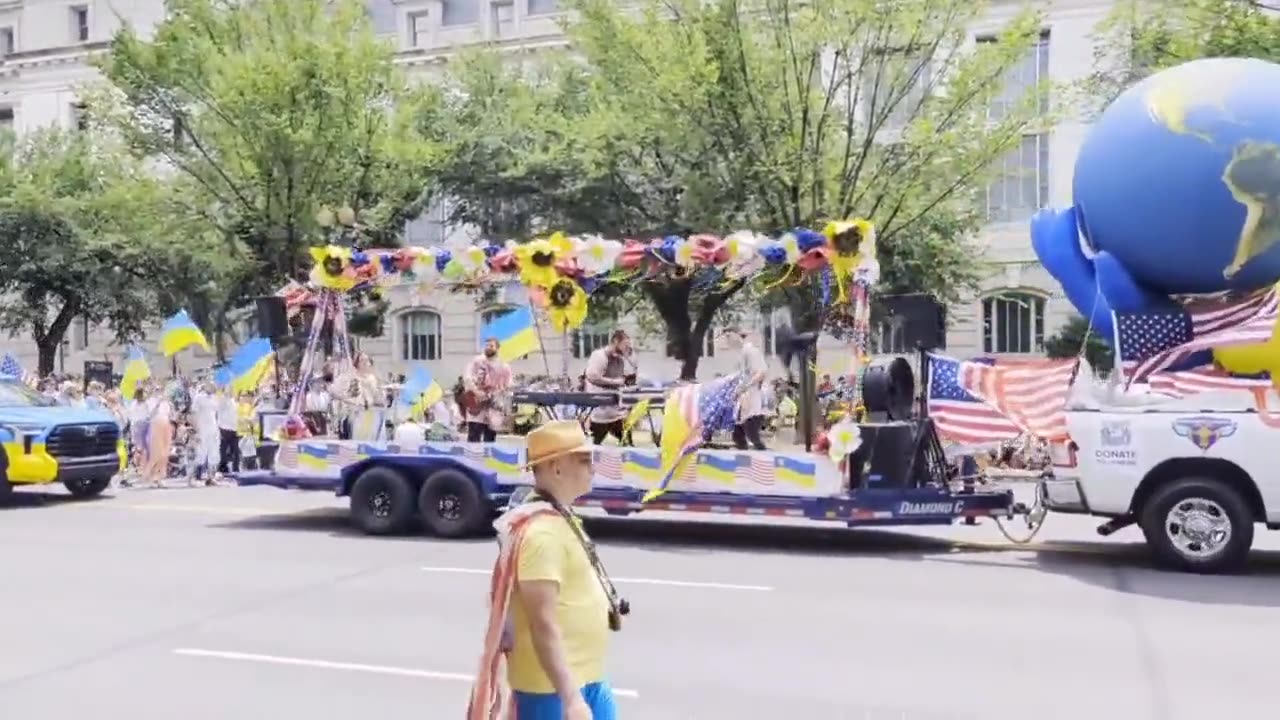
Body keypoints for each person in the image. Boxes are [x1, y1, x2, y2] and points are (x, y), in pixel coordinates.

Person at [468, 421, 622, 720]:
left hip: (586, 675)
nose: (593, 468)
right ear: (557, 467)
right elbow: (543, 624)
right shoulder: (541, 535)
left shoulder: (560, 517)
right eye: (584, 460)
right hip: (553, 690)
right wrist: (571, 700)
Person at [584, 329, 633, 445]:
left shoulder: (620, 360)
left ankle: (627, 457)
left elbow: (620, 380)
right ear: (616, 341)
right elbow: (593, 376)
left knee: (626, 442)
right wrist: (616, 382)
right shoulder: (599, 356)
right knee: (595, 444)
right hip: (600, 409)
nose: (627, 348)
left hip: (616, 411)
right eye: (625, 345)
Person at [723, 327, 769, 450]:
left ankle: (764, 460)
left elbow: (761, 372)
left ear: (738, 335)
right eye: (726, 337)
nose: (728, 340)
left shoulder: (751, 351)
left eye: (729, 336)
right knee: (738, 436)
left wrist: (745, 387)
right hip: (742, 403)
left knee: (752, 436)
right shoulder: (740, 354)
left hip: (753, 402)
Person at [463, 337, 512, 443]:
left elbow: (508, 386)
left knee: (490, 438)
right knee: (474, 435)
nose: (488, 348)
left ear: (497, 348)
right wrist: (476, 392)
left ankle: (488, 458)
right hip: (476, 405)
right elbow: (467, 378)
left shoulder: (504, 366)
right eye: (486, 346)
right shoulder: (476, 362)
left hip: (493, 406)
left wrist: (501, 398)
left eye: (491, 346)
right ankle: (472, 457)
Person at [333, 353, 385, 441]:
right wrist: (346, 400)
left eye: (367, 360)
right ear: (357, 363)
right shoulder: (350, 377)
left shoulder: (373, 379)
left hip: (371, 412)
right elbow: (334, 391)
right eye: (362, 360)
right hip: (356, 413)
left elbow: (378, 396)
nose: (365, 363)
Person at [190, 380, 222, 485]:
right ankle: (193, 477)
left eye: (214, 386)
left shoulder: (215, 399)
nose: (213, 387)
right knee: (201, 453)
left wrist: (218, 429)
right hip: (202, 428)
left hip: (213, 429)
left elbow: (216, 414)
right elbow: (193, 414)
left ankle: (211, 477)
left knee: (214, 453)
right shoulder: (199, 398)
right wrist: (196, 430)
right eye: (210, 385)